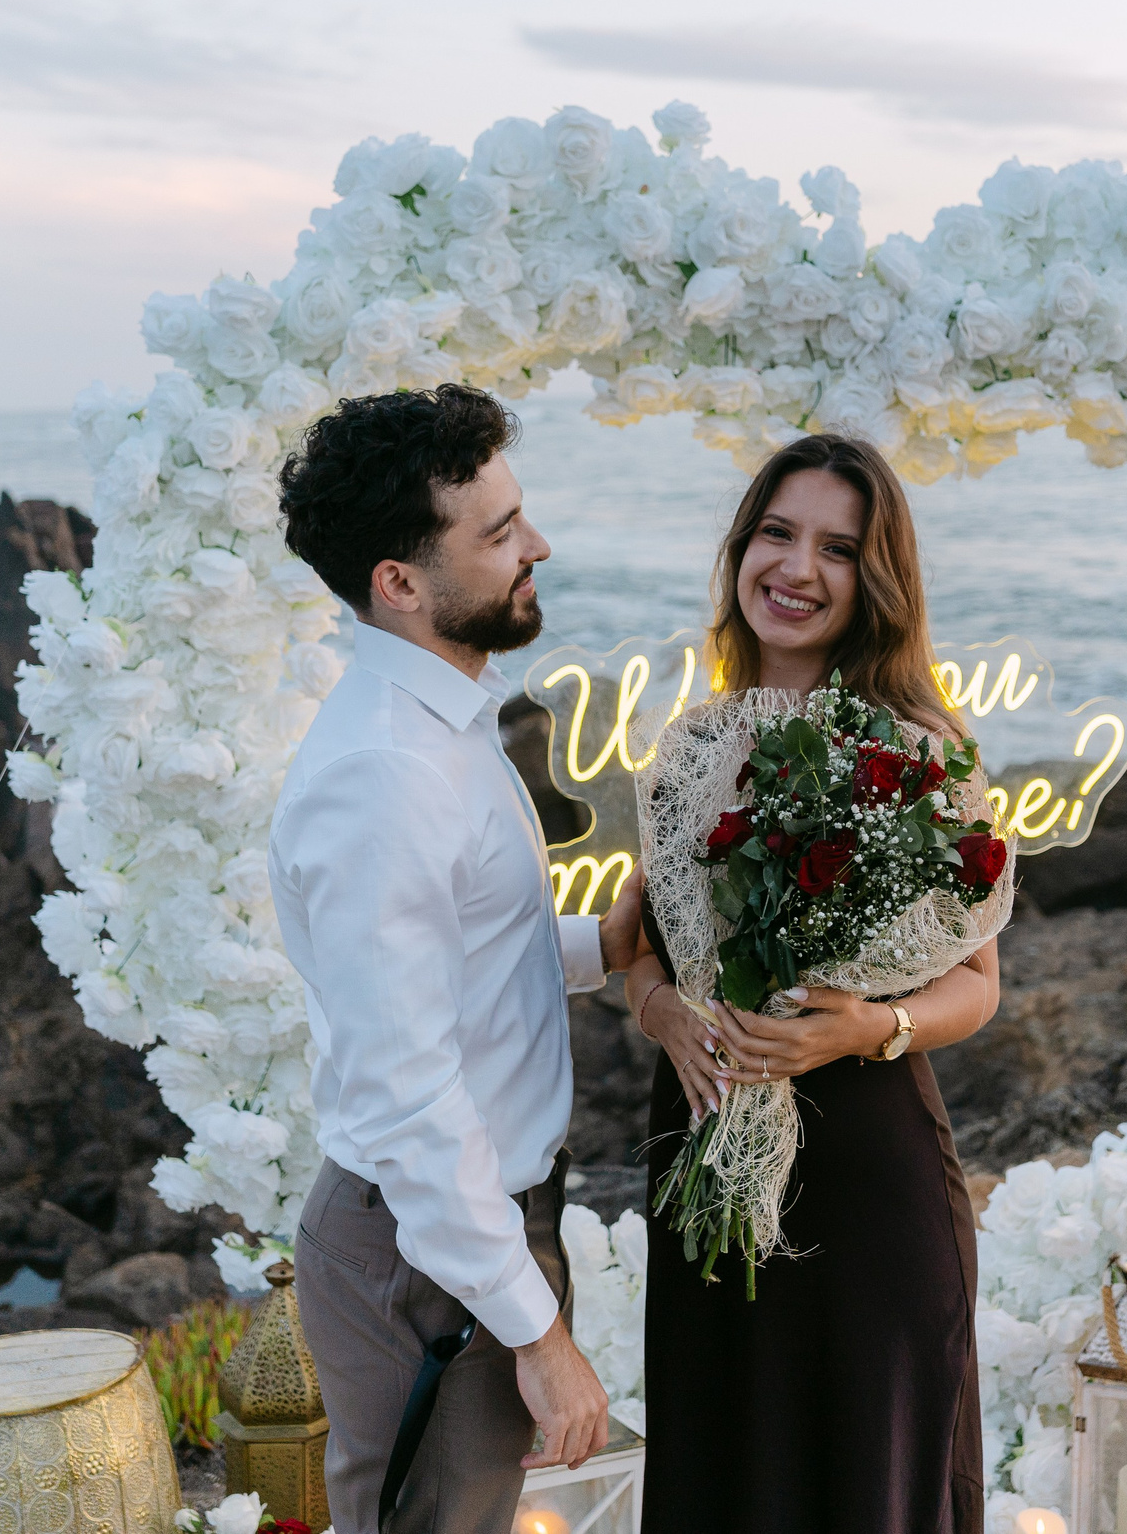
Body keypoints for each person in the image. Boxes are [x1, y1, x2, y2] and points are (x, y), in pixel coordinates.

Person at [268, 384, 645, 1534]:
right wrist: (538, 1338)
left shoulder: (446, 720)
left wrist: (597, 944)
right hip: (425, 1256)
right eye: (497, 535)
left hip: (470, 1228)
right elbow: (409, 1089)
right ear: (400, 583)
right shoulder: (383, 777)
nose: (537, 546)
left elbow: (462, 979)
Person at [621, 432, 1006, 1534]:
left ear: (874, 581)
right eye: (777, 534)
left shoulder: (923, 752)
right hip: (699, 1150)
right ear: (741, 549)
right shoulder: (690, 746)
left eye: (837, 549)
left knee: (860, 1484)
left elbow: (978, 986)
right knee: (720, 1468)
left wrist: (867, 1027)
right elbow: (639, 940)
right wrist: (662, 1016)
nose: (797, 569)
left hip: (862, 1170)